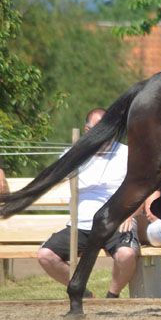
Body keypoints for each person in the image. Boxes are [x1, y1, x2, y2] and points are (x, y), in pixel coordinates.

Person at [37, 108, 139, 299]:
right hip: (80, 225)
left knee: (126, 255)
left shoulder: (127, 154)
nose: (106, 137)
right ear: (87, 131)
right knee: (45, 255)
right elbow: (51, 177)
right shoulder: (72, 154)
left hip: (115, 222)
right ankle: (84, 294)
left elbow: (142, 189)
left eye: (110, 131)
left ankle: (112, 297)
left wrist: (130, 214)